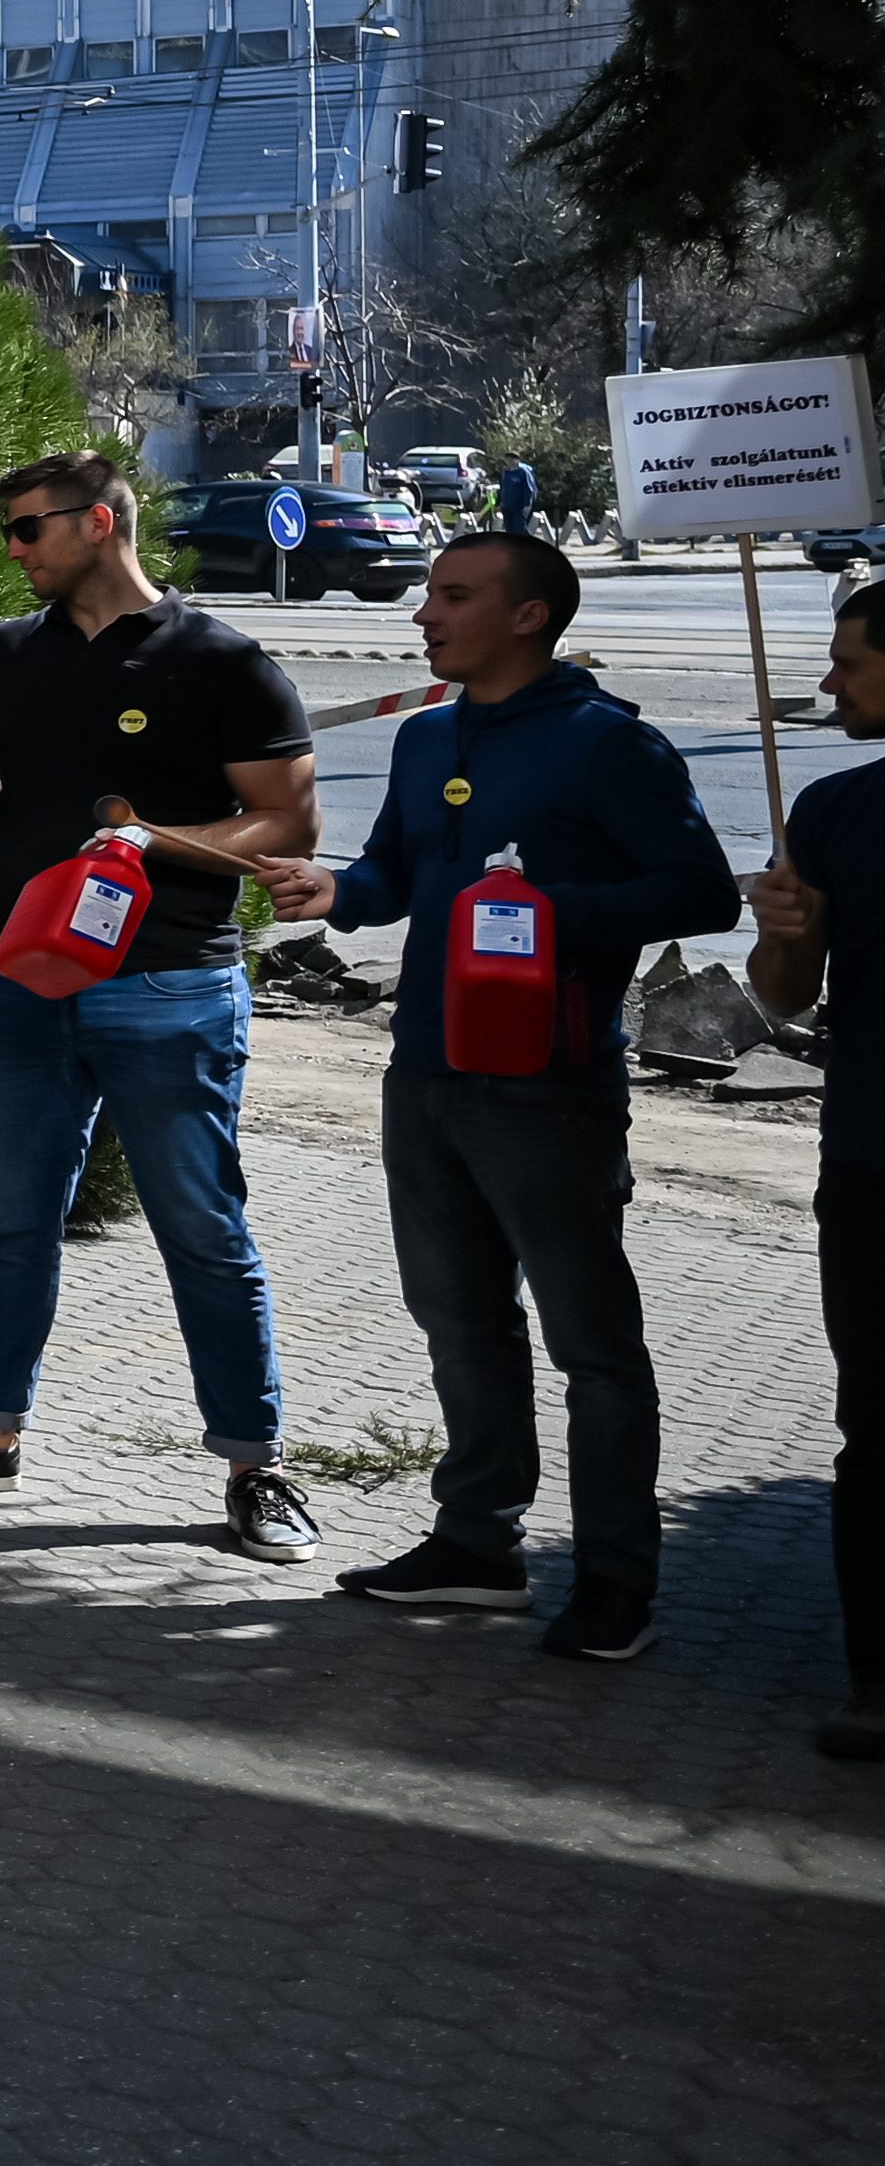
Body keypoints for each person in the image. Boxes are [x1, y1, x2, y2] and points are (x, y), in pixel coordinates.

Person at [272, 528, 739, 1658]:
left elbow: (702, 889)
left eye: (454, 595)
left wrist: (541, 915)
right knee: (459, 1320)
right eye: (430, 594)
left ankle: (616, 1579)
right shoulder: (428, 735)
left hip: (550, 1090)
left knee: (595, 1346)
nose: (425, 614)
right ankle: (477, 1545)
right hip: (424, 1072)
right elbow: (395, 871)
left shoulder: (606, 745)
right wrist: (339, 887)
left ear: (529, 616)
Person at [0, 449, 328, 1561]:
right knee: (9, 1219)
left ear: (103, 523)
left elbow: (287, 824)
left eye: (31, 528)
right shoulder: (7, 652)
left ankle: (256, 1465)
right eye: (11, 530)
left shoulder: (222, 660)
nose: (14, 549)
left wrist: (155, 839)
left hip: (169, 980)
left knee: (202, 1230)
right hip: (16, 976)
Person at [743, 579, 885, 1759]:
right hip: (872, 1160)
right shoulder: (833, 811)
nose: (830, 683)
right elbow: (783, 998)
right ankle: (875, 1683)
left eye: (848, 662)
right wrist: (785, 936)